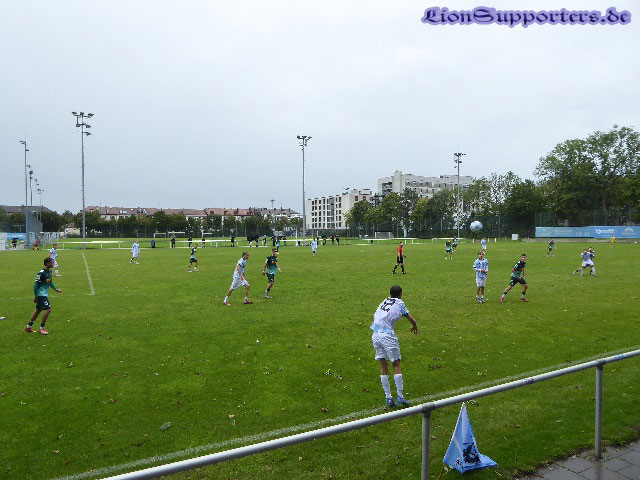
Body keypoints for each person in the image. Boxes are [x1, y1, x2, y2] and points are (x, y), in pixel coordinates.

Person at [370, 285, 419, 409]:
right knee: (396, 364)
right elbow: (411, 319)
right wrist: (414, 326)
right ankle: (400, 397)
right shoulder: (400, 303)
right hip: (387, 336)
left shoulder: (384, 301)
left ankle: (388, 398)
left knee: (383, 365)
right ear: (400, 294)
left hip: (375, 334)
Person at [24, 257, 61, 335]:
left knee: (38, 310)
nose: (53, 264)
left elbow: (50, 282)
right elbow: (35, 285)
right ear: (47, 264)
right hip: (40, 295)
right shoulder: (41, 273)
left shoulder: (50, 272)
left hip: (44, 294)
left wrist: (55, 289)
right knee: (48, 309)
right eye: (52, 263)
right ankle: (41, 328)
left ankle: (28, 327)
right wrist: (36, 296)